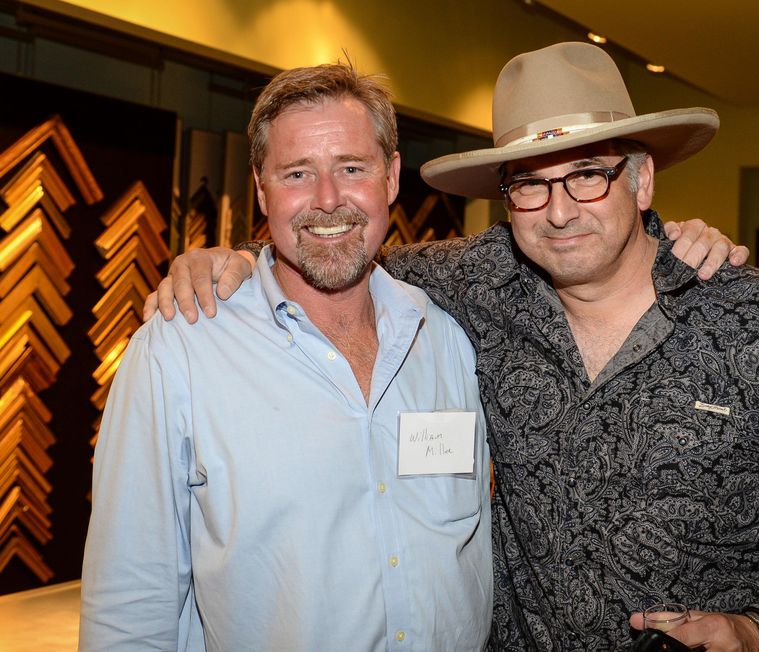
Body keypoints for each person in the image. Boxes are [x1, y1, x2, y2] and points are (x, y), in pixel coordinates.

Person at [149, 43, 759, 651]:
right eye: (530, 184)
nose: (560, 211)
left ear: (642, 180)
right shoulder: (473, 289)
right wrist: (233, 262)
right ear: (506, 198)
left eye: (588, 175)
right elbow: (334, 244)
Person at [79, 63, 495, 650]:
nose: (327, 199)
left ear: (392, 177)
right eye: (297, 173)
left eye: (352, 168)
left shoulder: (445, 340)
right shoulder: (179, 351)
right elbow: (130, 602)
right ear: (261, 188)